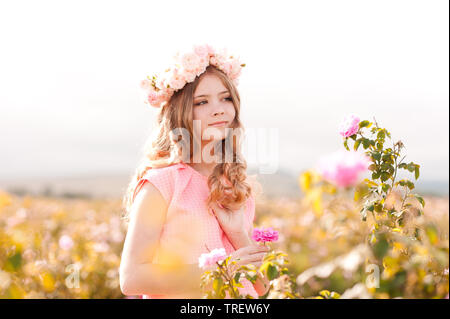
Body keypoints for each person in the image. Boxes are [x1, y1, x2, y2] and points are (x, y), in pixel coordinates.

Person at [119, 44, 270, 299]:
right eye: (202, 102)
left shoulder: (235, 183)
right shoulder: (162, 184)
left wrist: (237, 234)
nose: (219, 109)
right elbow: (132, 278)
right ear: (180, 113)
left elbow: (261, 287)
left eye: (226, 98)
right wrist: (224, 271)